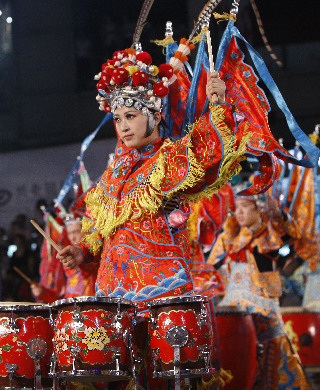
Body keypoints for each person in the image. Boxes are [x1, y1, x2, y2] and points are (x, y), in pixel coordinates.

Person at [57, 46, 248, 312]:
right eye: (118, 118)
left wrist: (218, 103)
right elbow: (100, 228)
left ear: (156, 116)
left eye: (131, 116)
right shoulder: (114, 172)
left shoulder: (170, 157)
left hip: (161, 293)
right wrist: (82, 252)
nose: (123, 126)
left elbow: (210, 153)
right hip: (112, 295)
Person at [208, 185, 311, 389]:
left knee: (274, 347)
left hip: (263, 306)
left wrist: (278, 214)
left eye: (246, 206)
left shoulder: (268, 232)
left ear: (258, 210)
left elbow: (291, 234)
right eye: (236, 208)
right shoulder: (229, 237)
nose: (240, 212)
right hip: (235, 309)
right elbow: (210, 267)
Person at [32, 211, 98, 302]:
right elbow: (60, 298)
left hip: (91, 305)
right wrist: (42, 294)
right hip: (70, 307)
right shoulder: (65, 259)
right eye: (69, 233)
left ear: (88, 232)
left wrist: (80, 257)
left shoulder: (97, 253)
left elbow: (92, 268)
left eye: (76, 232)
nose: (72, 237)